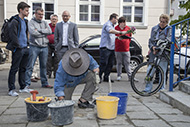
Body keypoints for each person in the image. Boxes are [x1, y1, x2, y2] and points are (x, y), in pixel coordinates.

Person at [6, 2, 32, 96]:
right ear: (20, 10)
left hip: (25, 48)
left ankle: (22, 87)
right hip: (18, 49)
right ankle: (11, 89)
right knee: (14, 69)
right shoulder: (14, 21)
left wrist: (27, 44)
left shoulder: (25, 21)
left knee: (23, 68)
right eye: (26, 10)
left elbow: (25, 34)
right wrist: (18, 46)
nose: (28, 12)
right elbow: (13, 35)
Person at [25, 7, 53, 88]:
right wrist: (44, 32)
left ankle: (44, 83)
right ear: (35, 14)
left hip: (44, 47)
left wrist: (39, 30)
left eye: (42, 14)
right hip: (34, 46)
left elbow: (50, 31)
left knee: (44, 66)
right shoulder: (31, 22)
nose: (41, 16)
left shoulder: (44, 22)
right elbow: (33, 33)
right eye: (39, 14)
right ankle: (26, 84)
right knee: (30, 65)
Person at [144, 14, 171, 93]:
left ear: (167, 22)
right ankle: (147, 89)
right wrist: (152, 47)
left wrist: (159, 47)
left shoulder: (169, 29)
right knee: (149, 71)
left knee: (162, 72)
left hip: (163, 54)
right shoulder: (154, 29)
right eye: (161, 21)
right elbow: (151, 40)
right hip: (154, 54)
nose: (162, 23)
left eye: (164, 22)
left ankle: (161, 89)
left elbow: (168, 40)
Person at [99, 13, 130, 83]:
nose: (117, 21)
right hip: (105, 48)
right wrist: (120, 32)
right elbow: (110, 31)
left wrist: (118, 37)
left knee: (110, 63)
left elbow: (112, 36)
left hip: (111, 48)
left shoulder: (112, 26)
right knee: (104, 63)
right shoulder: (108, 24)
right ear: (113, 18)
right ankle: (99, 77)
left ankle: (106, 77)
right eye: (116, 19)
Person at [115, 17, 132, 81]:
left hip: (126, 49)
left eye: (125, 22)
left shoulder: (128, 29)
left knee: (127, 63)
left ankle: (130, 76)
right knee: (119, 63)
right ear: (120, 23)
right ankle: (119, 75)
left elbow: (130, 37)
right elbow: (114, 37)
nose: (124, 24)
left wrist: (127, 44)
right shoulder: (116, 29)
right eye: (123, 22)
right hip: (118, 49)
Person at [47, 14, 58, 78]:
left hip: (56, 44)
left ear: (57, 20)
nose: (54, 21)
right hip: (48, 44)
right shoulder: (48, 26)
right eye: (53, 19)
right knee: (48, 59)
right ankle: (48, 73)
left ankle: (56, 74)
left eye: (55, 19)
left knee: (56, 59)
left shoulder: (58, 27)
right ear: (50, 20)